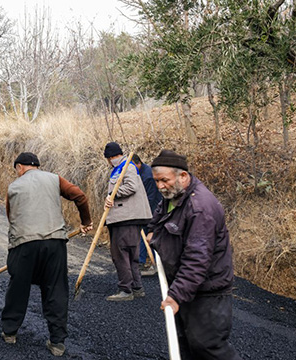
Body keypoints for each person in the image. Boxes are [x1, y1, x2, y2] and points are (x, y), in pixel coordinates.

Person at [147, 149, 242, 360]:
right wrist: (153, 231)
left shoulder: (201, 208)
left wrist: (176, 295)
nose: (160, 186)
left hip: (206, 291)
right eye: (156, 181)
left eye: (164, 180)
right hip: (185, 284)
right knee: (185, 346)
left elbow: (197, 259)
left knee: (208, 347)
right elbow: (159, 217)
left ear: (183, 175)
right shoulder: (173, 195)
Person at [1, 152, 93, 357]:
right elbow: (80, 196)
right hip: (55, 243)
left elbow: (11, 217)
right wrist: (86, 222)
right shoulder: (54, 179)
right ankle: (58, 342)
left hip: (24, 245)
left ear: (20, 167)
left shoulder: (13, 187)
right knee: (56, 289)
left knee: (18, 288)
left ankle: (9, 332)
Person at [103, 143, 152, 301]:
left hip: (126, 217)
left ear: (110, 157)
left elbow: (132, 186)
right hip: (126, 217)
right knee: (131, 253)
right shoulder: (123, 167)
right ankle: (136, 287)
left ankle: (126, 289)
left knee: (121, 253)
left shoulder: (127, 167)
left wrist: (112, 194)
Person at [132, 154, 163, 277]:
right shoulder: (140, 172)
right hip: (146, 210)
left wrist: (143, 213)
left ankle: (156, 265)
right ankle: (141, 261)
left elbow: (150, 198)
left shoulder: (148, 176)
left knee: (152, 236)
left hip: (152, 210)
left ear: (138, 163)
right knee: (143, 235)